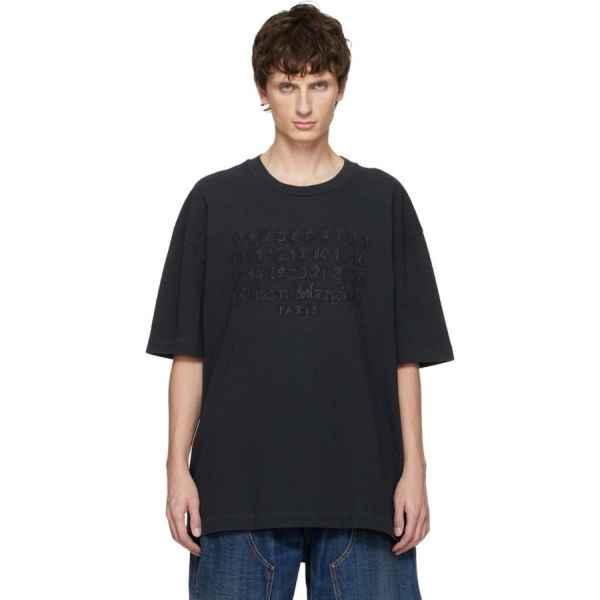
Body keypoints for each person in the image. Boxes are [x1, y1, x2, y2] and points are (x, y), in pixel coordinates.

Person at [145, 3, 454, 598]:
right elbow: (189, 351)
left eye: (319, 84)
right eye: (288, 86)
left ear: (341, 89)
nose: (305, 104)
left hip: (364, 489)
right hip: (237, 490)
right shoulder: (214, 203)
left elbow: (406, 355)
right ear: (263, 91)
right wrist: (176, 466)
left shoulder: (382, 202)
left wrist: (415, 468)